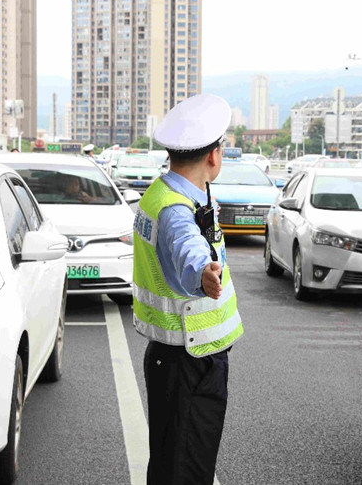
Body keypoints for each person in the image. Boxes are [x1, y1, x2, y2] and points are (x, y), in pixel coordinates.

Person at [132, 93, 243, 485]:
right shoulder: (176, 208)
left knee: (171, 465)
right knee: (186, 471)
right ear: (214, 156)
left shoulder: (167, 192)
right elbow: (186, 246)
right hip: (190, 361)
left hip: (176, 357)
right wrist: (202, 273)